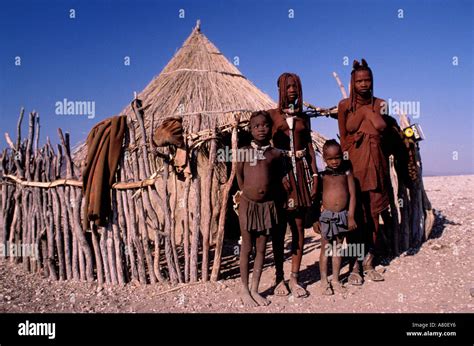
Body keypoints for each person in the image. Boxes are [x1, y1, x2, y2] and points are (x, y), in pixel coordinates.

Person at [337, 59, 390, 284]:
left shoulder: (381, 104)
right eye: (359, 81)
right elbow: (346, 132)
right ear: (352, 82)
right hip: (354, 170)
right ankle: (355, 266)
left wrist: (366, 112)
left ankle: (368, 262)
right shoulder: (344, 106)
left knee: (373, 218)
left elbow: (381, 126)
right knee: (356, 217)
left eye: (367, 80)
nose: (364, 84)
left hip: (376, 168)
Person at [267, 73, 318, 298]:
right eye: (288, 87)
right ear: (280, 89)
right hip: (281, 175)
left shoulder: (304, 118)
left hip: (301, 174)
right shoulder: (270, 116)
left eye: (295, 87)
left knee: (298, 228)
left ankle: (295, 278)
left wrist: (315, 176)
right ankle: (279, 278)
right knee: (278, 230)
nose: (292, 91)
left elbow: (309, 147)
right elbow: (266, 148)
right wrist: (276, 176)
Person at [236, 111, 285, 307]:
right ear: (250, 129)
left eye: (265, 125)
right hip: (248, 205)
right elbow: (240, 178)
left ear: (270, 127)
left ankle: (256, 289)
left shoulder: (275, 154)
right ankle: (245, 290)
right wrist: (249, 194)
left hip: (267, 206)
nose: (261, 129)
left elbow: (277, 178)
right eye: (256, 126)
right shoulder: (243, 151)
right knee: (247, 248)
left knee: (262, 249)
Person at [317, 140, 357, 295]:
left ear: (342, 156)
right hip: (326, 216)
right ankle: (323, 281)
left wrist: (351, 216)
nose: (334, 161)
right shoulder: (322, 176)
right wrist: (315, 219)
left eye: (337, 157)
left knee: (338, 248)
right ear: (325, 159)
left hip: (342, 216)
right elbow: (316, 200)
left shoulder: (346, 174)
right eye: (330, 158)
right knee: (326, 248)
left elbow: (353, 195)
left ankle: (335, 279)